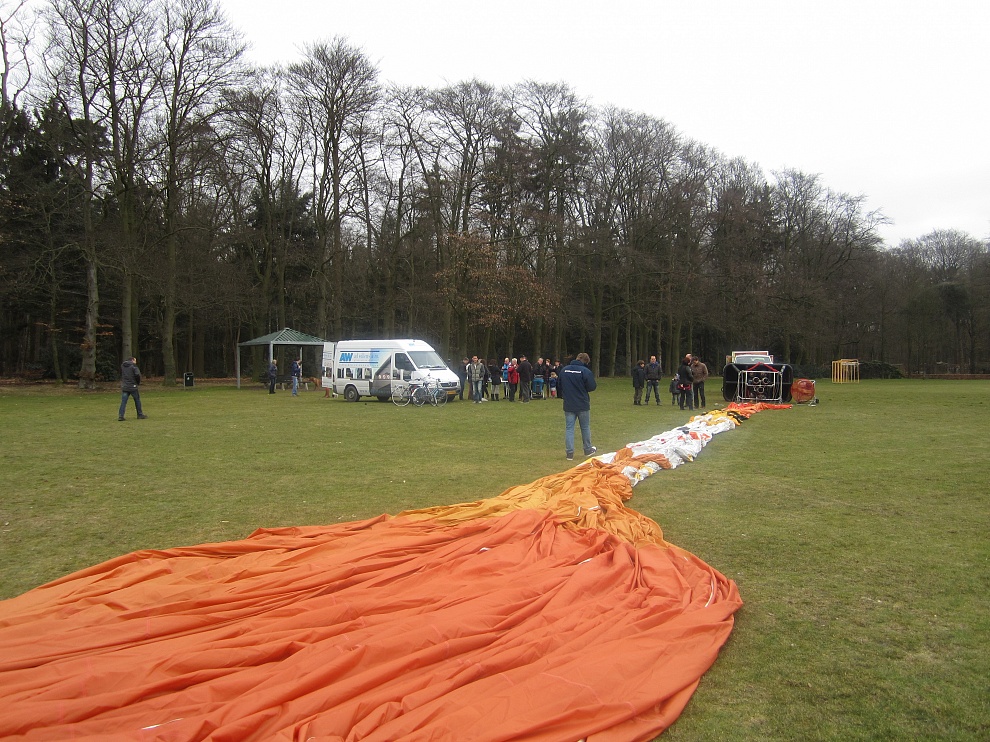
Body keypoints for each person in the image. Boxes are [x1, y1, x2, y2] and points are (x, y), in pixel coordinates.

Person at [559, 352, 597, 461]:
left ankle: (569, 453)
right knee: (585, 427)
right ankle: (587, 449)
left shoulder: (564, 370)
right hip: (582, 403)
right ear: (585, 361)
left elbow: (559, 385)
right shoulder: (585, 371)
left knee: (569, 428)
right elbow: (592, 386)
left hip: (569, 403)